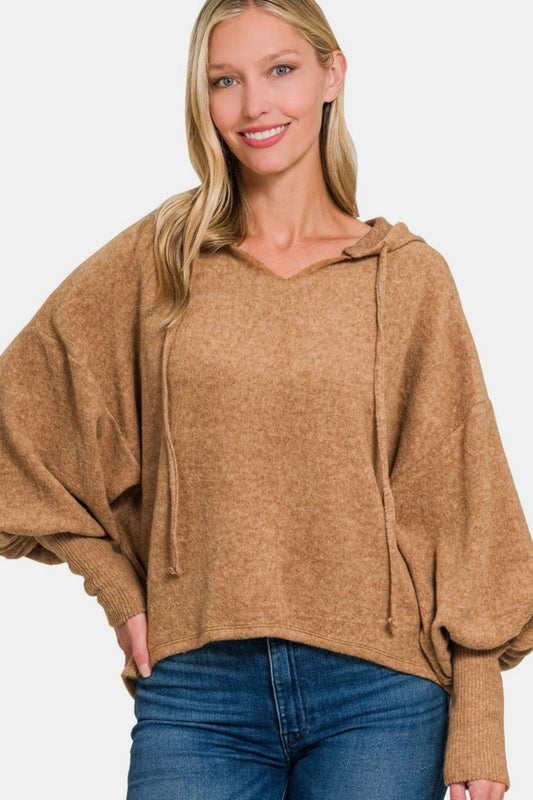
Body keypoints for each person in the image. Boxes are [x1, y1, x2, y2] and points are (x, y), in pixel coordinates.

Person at [1, 0, 532, 797]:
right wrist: (113, 585)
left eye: (280, 70)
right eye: (225, 80)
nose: (254, 105)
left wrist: (480, 722)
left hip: (381, 695)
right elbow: (20, 421)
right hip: (196, 694)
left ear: (331, 74)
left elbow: (460, 502)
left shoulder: (406, 277)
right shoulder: (163, 260)